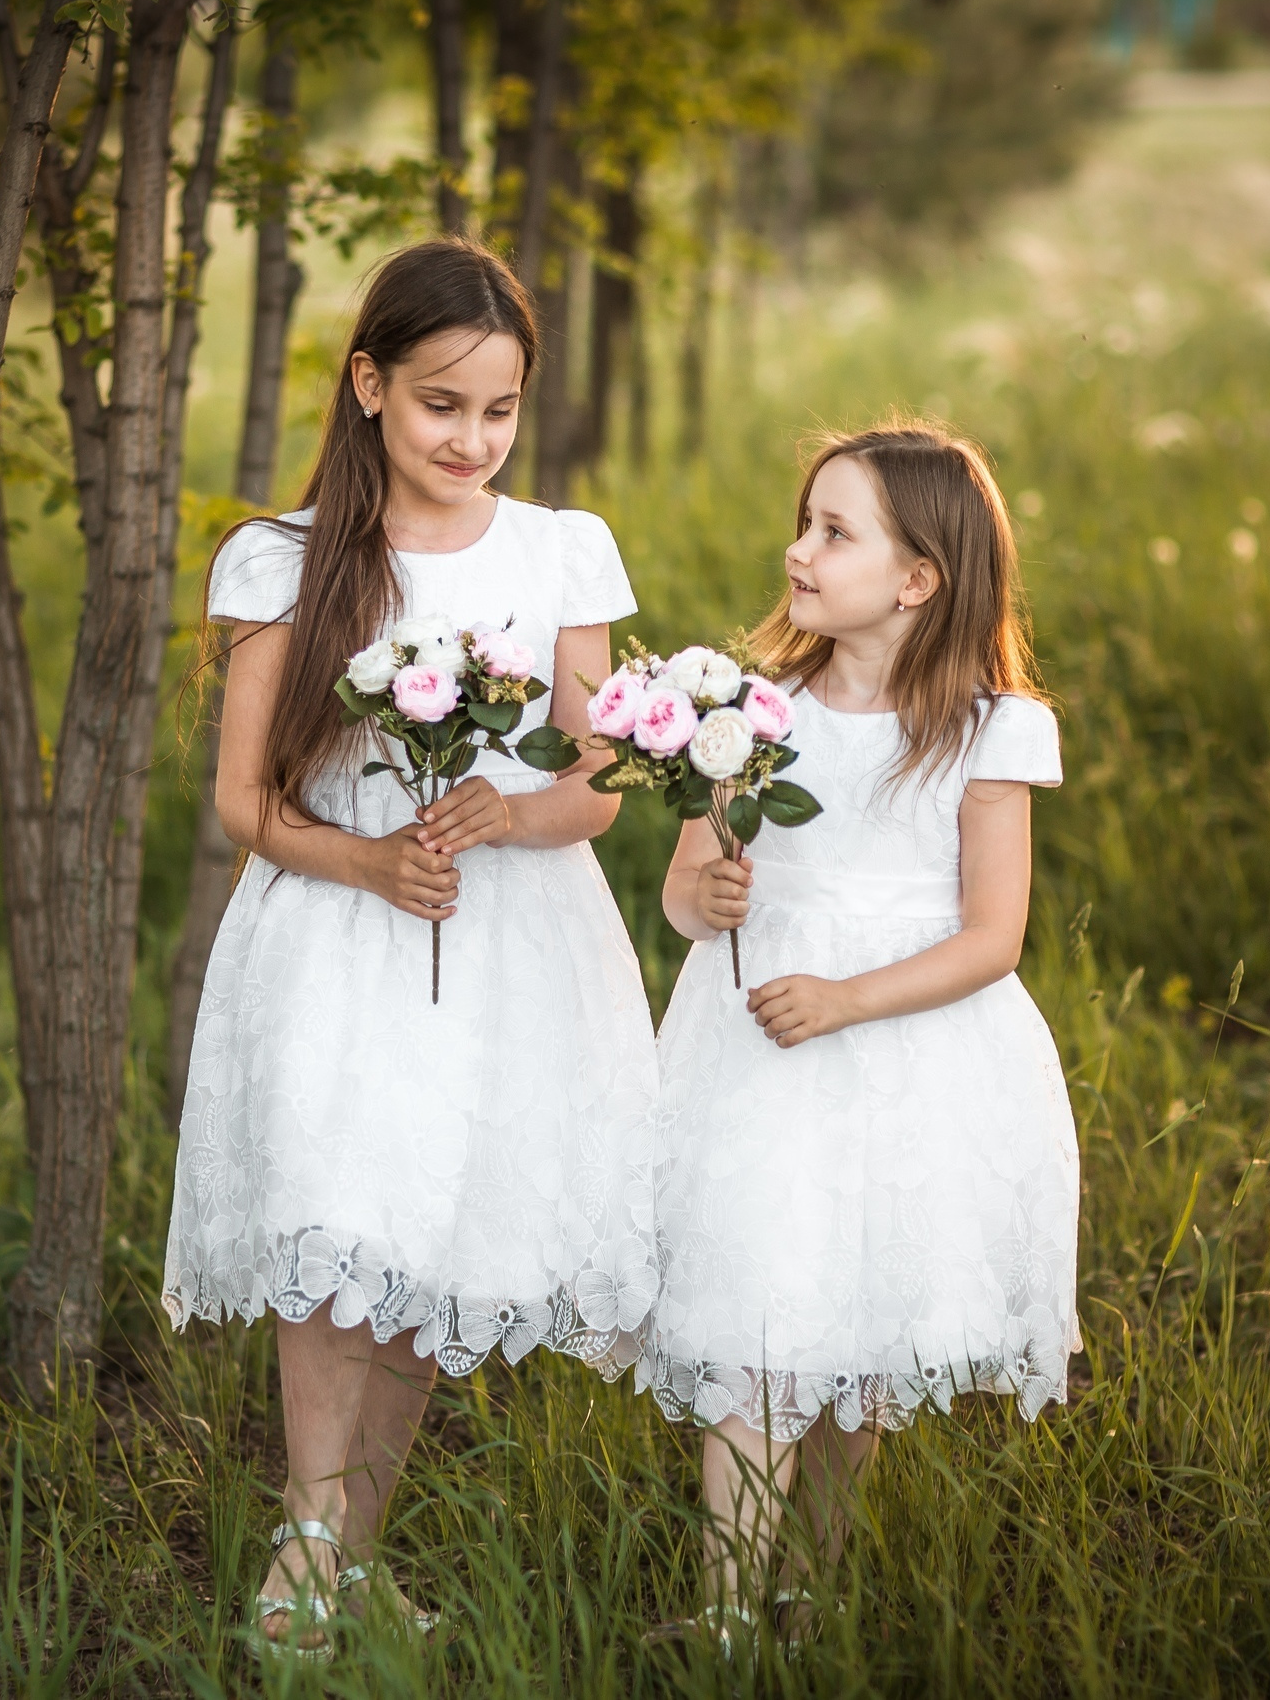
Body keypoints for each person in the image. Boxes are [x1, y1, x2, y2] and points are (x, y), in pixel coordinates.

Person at [160, 238, 659, 1661]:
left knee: (438, 1226)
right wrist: (371, 857)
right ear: (370, 384)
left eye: (499, 410)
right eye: (443, 403)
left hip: (507, 936)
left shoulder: (561, 548)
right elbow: (245, 798)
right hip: (338, 921)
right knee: (341, 1212)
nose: (472, 439)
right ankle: (305, 1543)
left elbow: (605, 781)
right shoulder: (285, 557)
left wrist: (508, 809)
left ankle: (358, 1554)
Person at [642, 420, 1079, 1650]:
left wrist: (844, 997)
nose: (798, 551)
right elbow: (687, 892)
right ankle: (726, 1608)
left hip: (902, 1049)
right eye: (804, 522)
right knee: (762, 1312)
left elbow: (993, 937)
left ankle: (808, 1594)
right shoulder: (747, 712)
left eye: (834, 533)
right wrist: (707, 897)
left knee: (855, 1328)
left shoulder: (987, 729)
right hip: (759, 1053)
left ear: (918, 577)